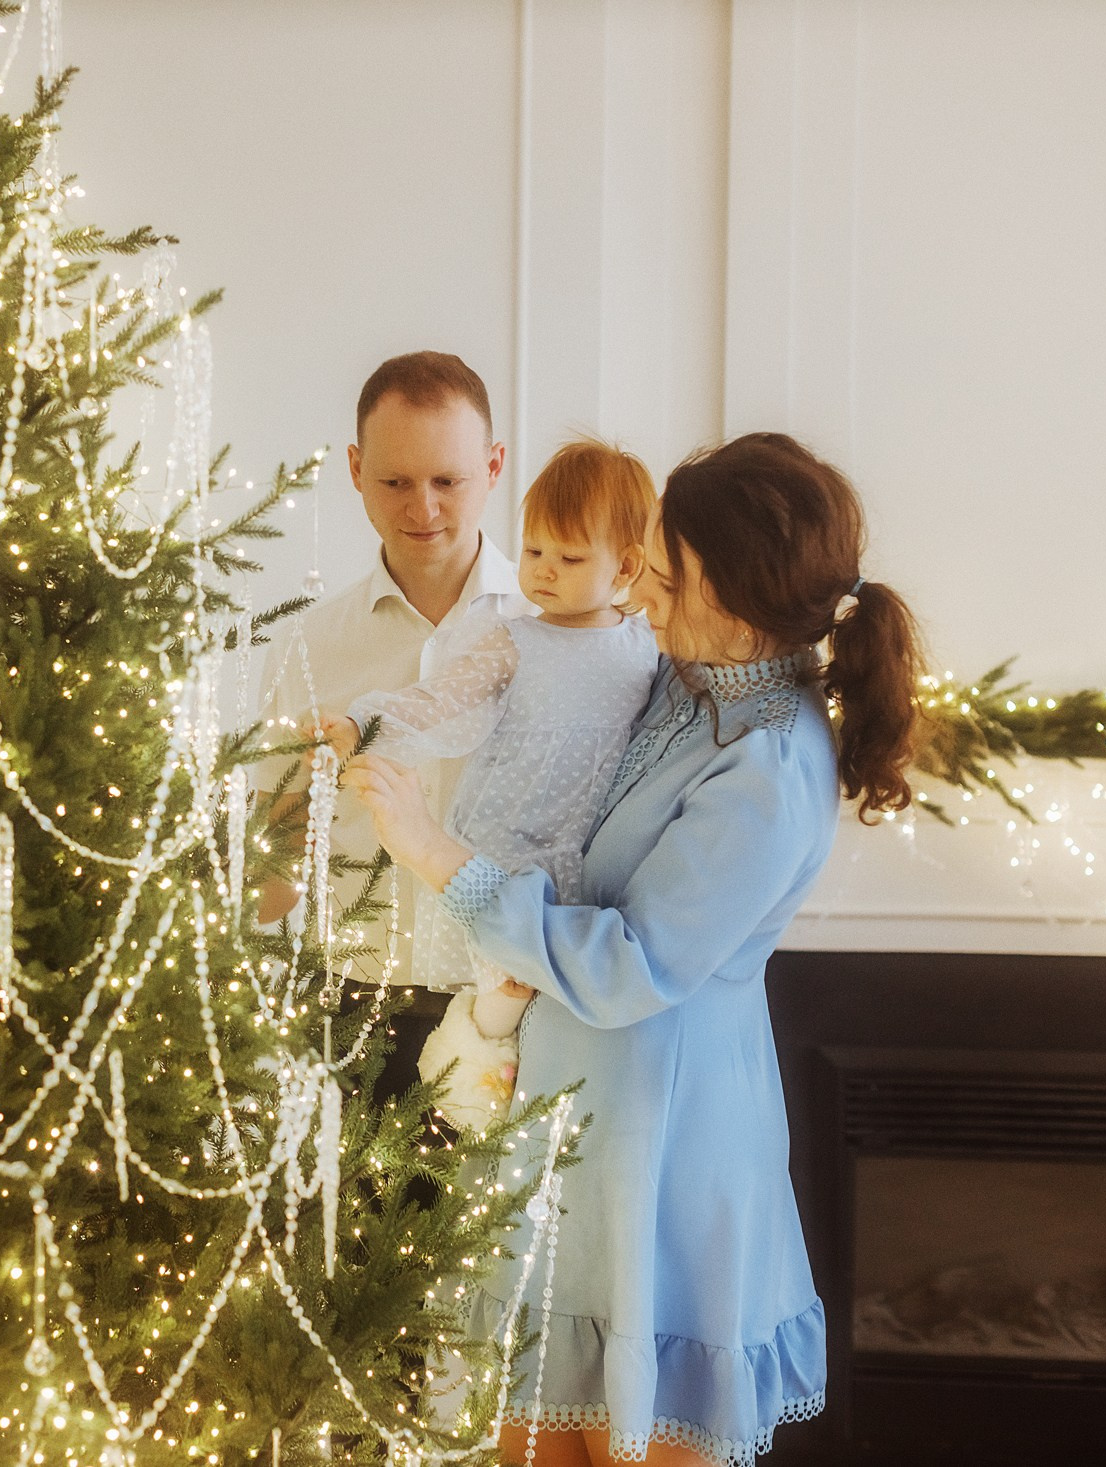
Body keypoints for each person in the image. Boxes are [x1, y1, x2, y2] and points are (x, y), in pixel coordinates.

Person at [343, 433, 924, 1467]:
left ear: (740, 599)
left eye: (662, 576)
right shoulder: (684, 682)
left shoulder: (770, 763)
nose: (639, 597)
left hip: (663, 1141)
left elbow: (629, 966)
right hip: (574, 1121)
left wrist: (435, 853)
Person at [316, 440, 659, 1131]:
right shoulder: (514, 639)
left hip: (589, 846)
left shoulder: (647, 647)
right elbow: (439, 698)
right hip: (510, 835)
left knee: (561, 1009)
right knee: (503, 984)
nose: (544, 573)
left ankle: (504, 1119)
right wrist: (364, 721)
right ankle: (463, 1099)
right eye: (534, 552)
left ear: (624, 566)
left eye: (569, 559)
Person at [256, 351, 531, 1100]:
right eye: (395, 481)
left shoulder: (557, 636)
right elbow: (266, 890)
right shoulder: (309, 649)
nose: (424, 508)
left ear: (495, 465)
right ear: (353, 468)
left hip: (523, 1017)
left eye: (448, 480)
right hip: (350, 1023)